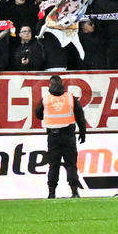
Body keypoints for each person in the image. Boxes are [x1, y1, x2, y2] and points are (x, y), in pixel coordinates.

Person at [37, 71, 85, 199]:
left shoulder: (46, 99)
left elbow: (38, 114)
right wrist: (82, 132)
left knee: (54, 165)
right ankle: (74, 191)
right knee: (71, 164)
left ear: (50, 86)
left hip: (53, 136)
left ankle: (51, 193)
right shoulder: (70, 97)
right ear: (62, 85)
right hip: (69, 135)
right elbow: (80, 116)